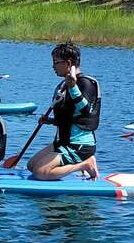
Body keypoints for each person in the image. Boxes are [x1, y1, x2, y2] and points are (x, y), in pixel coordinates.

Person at [27, 42, 101, 180]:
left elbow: (85, 111)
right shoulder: (63, 84)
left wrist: (72, 86)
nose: (53, 67)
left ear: (68, 63)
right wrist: (50, 120)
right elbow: (70, 117)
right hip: (63, 141)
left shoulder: (86, 83)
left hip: (79, 145)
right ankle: (76, 164)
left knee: (39, 172)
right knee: (31, 166)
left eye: (56, 62)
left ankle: (85, 164)